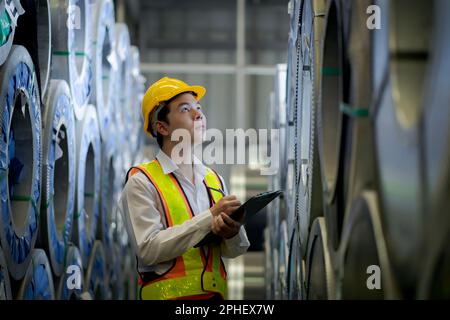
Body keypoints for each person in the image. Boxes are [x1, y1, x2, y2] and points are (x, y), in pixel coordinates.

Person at [119, 77, 250, 300]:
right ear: (161, 127)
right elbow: (148, 249)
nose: (198, 114)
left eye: (198, 108)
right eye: (185, 109)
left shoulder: (214, 180)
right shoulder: (142, 181)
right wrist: (210, 217)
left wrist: (232, 232)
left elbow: (236, 250)